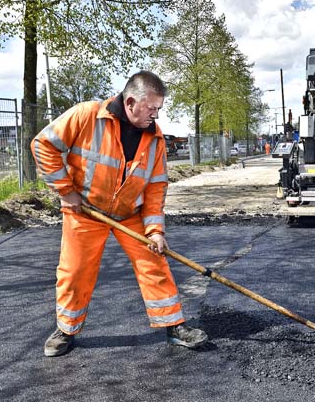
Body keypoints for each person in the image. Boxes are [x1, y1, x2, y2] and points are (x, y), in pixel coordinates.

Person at [32, 70, 208, 357]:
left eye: (159, 109)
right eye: (152, 108)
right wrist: (65, 190)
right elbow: (43, 145)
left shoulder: (155, 139)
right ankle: (66, 330)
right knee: (75, 272)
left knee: (155, 262)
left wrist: (155, 231)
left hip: (130, 214)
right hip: (86, 211)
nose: (156, 115)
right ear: (130, 103)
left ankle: (174, 326)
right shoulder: (86, 116)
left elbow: (155, 187)